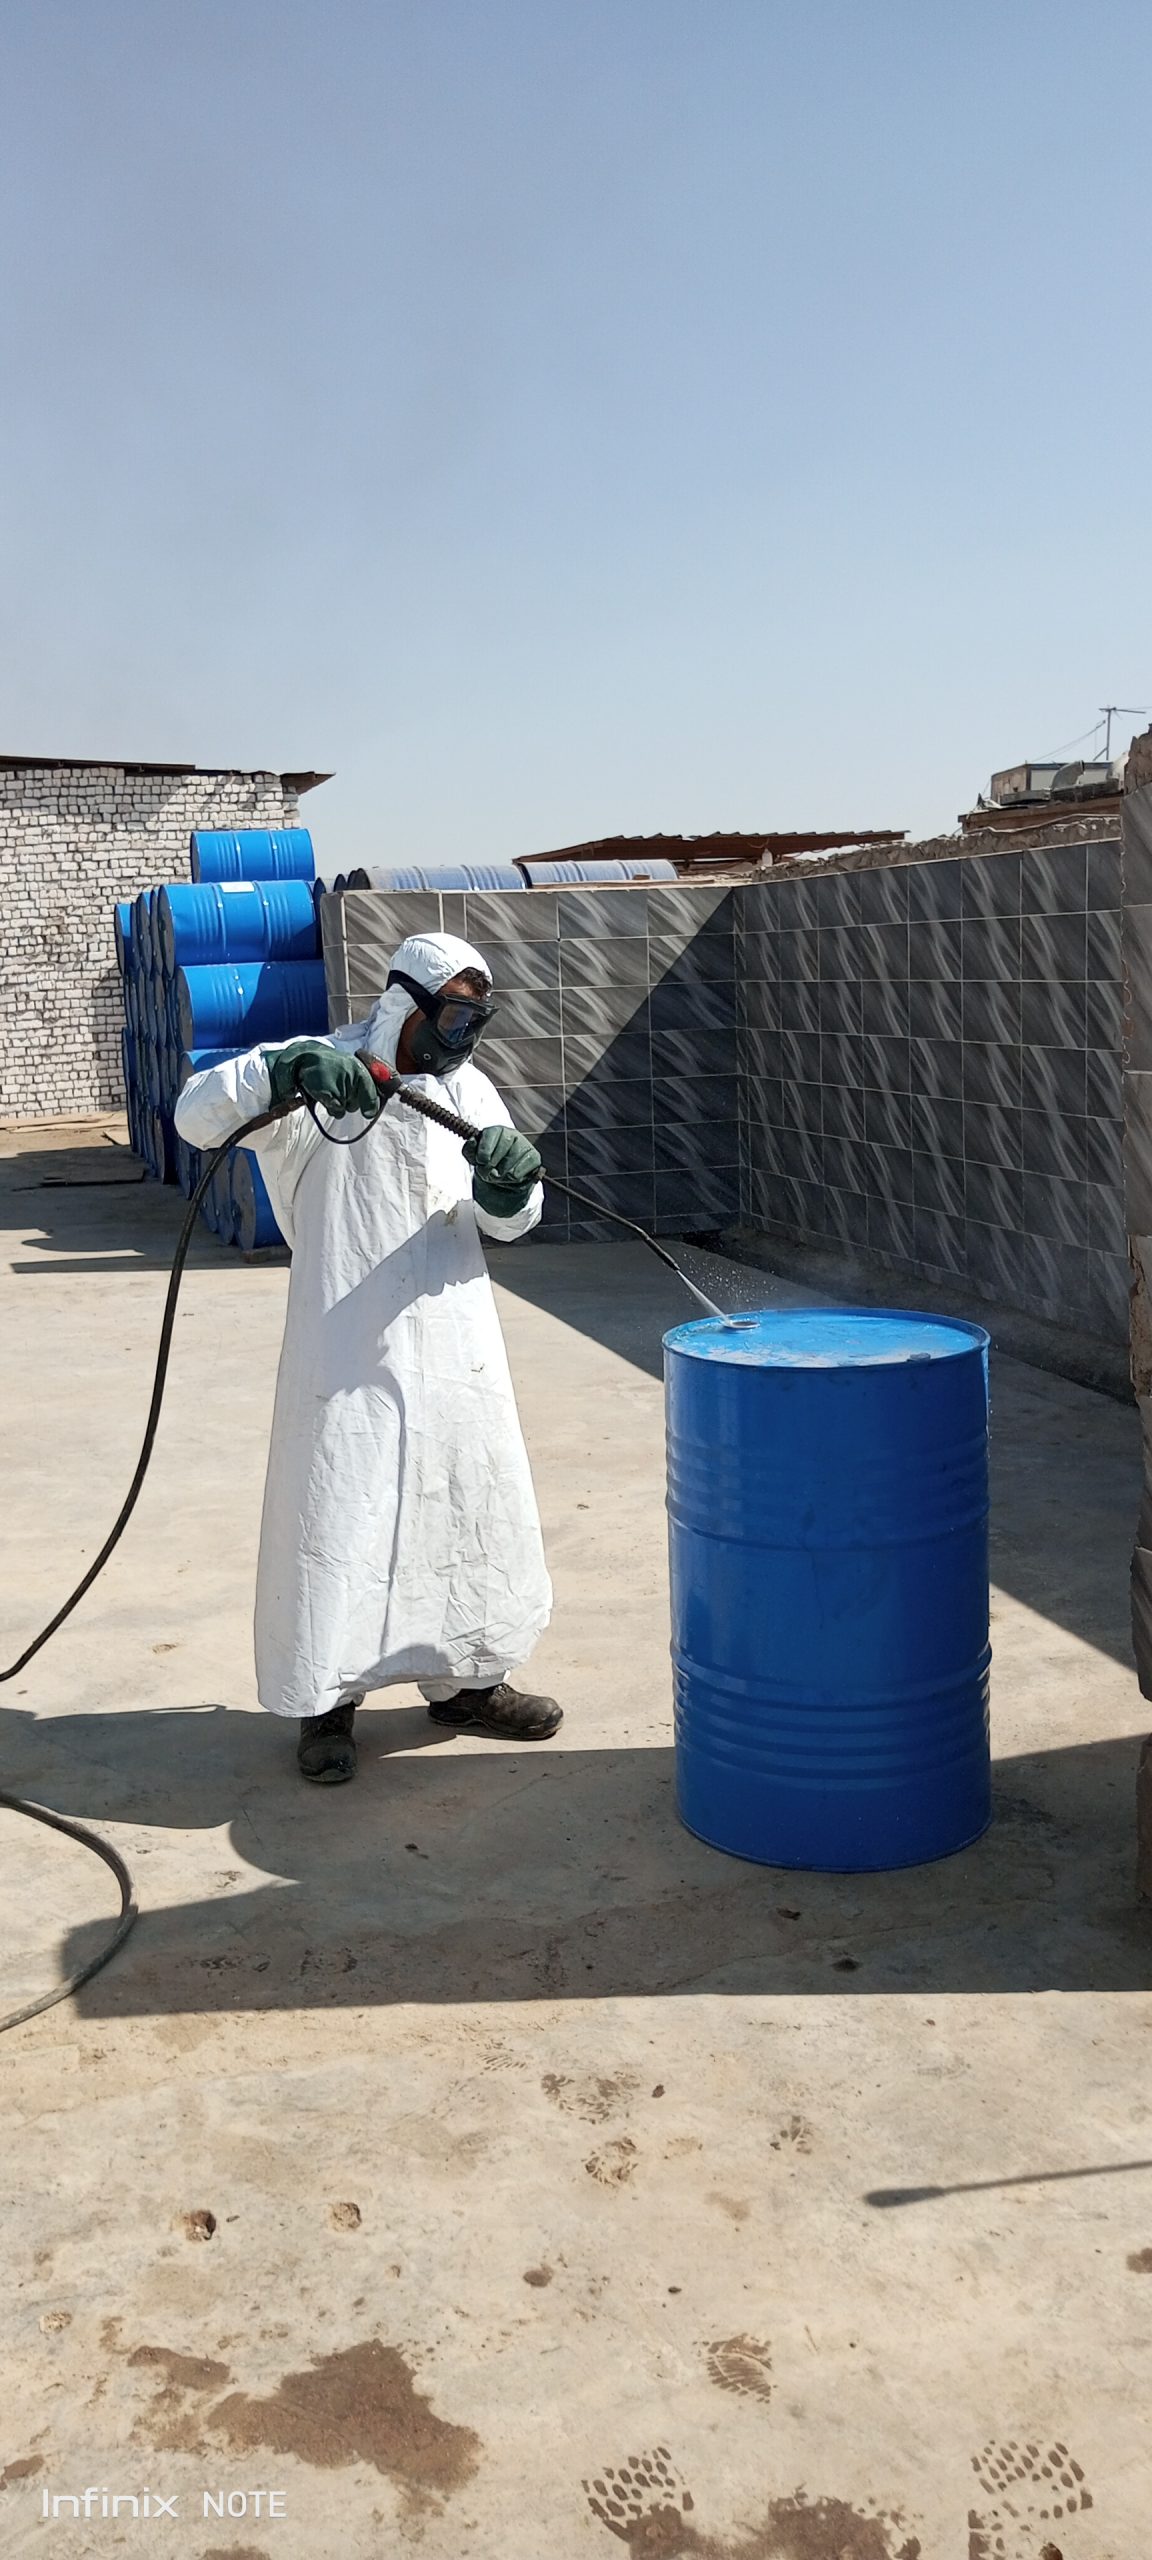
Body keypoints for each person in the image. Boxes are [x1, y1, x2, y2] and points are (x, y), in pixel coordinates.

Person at [174, 930, 558, 1784]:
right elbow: (195, 1116)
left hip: (456, 1340)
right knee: (340, 1513)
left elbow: (508, 1218)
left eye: (477, 1018)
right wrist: (282, 1075)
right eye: (453, 1015)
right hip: (343, 1347)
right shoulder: (324, 1073)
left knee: (465, 1503)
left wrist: (510, 1188)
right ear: (403, 1002)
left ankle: (468, 1683)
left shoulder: (473, 1090)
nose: (464, 1034)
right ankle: (326, 1703)